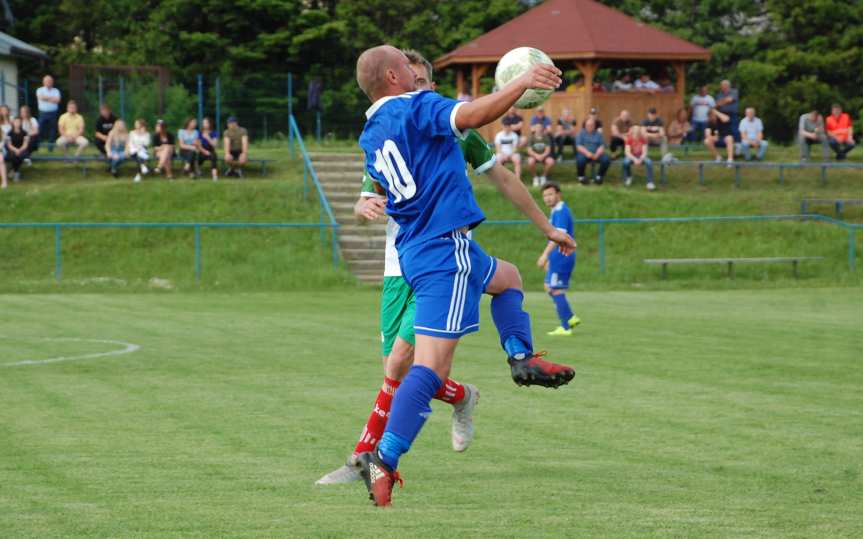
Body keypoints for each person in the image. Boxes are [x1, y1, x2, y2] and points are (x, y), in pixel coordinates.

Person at [353, 45, 575, 507]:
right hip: (442, 252)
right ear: (395, 76)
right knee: (428, 370)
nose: (414, 77)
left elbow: (390, 181)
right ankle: (385, 458)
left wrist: (547, 227)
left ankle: (522, 357)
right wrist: (520, 83)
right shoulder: (418, 106)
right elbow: (472, 115)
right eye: (405, 69)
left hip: (429, 248)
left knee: (510, 278)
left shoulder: (371, 133)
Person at [317, 49, 486, 487]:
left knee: (399, 366)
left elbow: (497, 172)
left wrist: (543, 223)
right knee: (397, 374)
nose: (420, 86)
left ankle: (365, 460)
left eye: (425, 81)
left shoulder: (445, 123)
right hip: (398, 266)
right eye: (414, 78)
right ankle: (462, 396)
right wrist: (361, 206)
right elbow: (364, 197)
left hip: (441, 259)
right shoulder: (385, 131)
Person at [536, 182, 580, 336]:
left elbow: (558, 237)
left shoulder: (561, 211)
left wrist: (545, 255)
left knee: (555, 289)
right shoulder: (555, 211)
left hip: (562, 255)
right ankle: (570, 317)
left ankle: (566, 327)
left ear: (558, 195)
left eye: (550, 194)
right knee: (549, 287)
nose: (547, 198)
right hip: (557, 256)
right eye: (545, 196)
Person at [575, 117, 610, 185]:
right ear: (585, 126)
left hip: (597, 154)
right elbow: (579, 146)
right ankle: (581, 177)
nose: (590, 126)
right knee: (580, 160)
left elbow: (602, 146)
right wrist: (588, 153)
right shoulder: (580, 134)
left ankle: (599, 177)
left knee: (606, 159)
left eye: (592, 125)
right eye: (588, 125)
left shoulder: (598, 134)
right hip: (584, 153)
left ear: (594, 126)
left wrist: (597, 154)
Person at [623, 125, 656, 191]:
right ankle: (629, 177)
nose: (636, 133)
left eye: (638, 131)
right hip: (632, 156)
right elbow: (627, 152)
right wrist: (634, 159)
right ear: (633, 132)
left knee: (649, 162)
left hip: (641, 156)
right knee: (625, 162)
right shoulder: (629, 139)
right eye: (635, 131)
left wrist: (640, 159)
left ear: (639, 132)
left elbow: (645, 152)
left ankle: (650, 182)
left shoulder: (643, 139)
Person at [36, 75, 61, 150]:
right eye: (47, 81)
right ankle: (37, 145)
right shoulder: (39, 90)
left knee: (52, 130)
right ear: (43, 82)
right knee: (40, 129)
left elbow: (58, 100)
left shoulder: (56, 90)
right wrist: (52, 99)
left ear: (52, 82)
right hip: (42, 113)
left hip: (53, 113)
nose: (48, 82)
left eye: (50, 81)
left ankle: (50, 147)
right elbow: (41, 98)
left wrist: (46, 98)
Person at [526, 123, 554, 187]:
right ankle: (535, 177)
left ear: (542, 129)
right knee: (530, 162)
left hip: (544, 156)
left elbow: (548, 149)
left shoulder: (546, 137)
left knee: (551, 161)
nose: (538, 129)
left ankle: (543, 177)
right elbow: (529, 150)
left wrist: (542, 156)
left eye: (540, 127)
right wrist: (536, 155)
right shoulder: (531, 138)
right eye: (537, 127)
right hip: (534, 156)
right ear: (534, 129)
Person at [5, 117, 29, 182]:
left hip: (22, 149)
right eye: (16, 122)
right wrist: (15, 150)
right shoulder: (9, 133)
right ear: (13, 123)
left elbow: (25, 144)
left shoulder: (25, 133)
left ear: (21, 123)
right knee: (14, 156)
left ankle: (14, 172)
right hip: (12, 150)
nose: (17, 123)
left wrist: (20, 150)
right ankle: (16, 172)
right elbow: (9, 145)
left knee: (19, 156)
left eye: (19, 122)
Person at [198, 117, 219, 181]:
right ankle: (197, 171)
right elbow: (198, 145)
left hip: (211, 149)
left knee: (213, 156)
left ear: (210, 124)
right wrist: (204, 151)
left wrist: (208, 137)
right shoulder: (200, 133)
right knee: (198, 158)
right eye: (203, 123)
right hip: (202, 150)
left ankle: (214, 176)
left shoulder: (215, 133)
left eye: (206, 123)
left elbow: (215, 145)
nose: (204, 124)